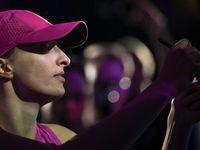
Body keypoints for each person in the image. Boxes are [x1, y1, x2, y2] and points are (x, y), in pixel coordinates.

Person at [0, 9, 200, 150]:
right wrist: (165, 85)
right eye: (46, 47)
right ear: (3, 66)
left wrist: (177, 123)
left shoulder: (61, 137)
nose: (65, 59)